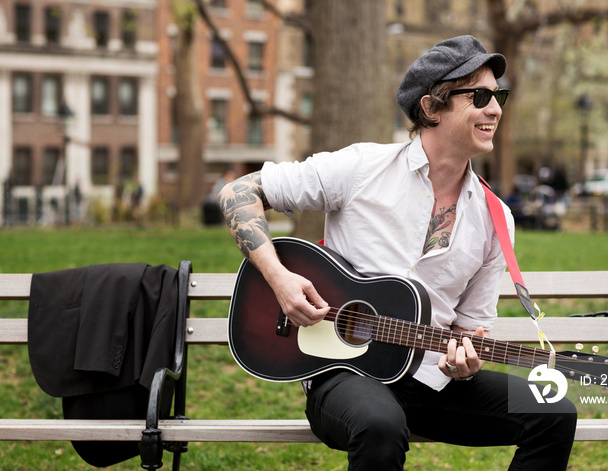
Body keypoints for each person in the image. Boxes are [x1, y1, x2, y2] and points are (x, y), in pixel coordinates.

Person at [219, 35, 577, 470]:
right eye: (480, 96)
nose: (496, 109)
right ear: (431, 108)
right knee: (380, 424)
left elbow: (469, 329)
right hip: (341, 372)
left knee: (552, 410)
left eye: (498, 95)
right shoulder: (360, 169)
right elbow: (239, 192)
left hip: (428, 380)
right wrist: (279, 277)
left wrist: (465, 361)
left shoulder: (496, 218)